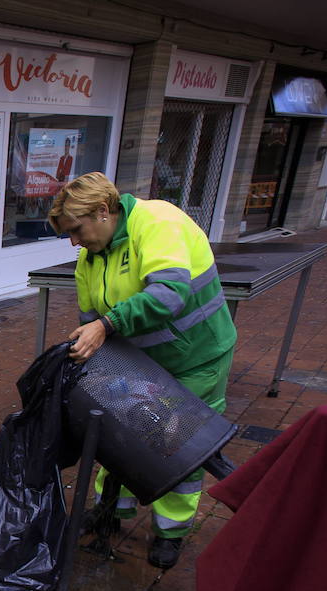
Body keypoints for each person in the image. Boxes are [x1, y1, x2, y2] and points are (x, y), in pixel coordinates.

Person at [48, 172, 236, 569]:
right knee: (121, 431)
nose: (74, 242)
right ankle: (112, 510)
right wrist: (89, 348)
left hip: (193, 357)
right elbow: (90, 318)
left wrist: (106, 325)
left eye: (76, 230)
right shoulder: (90, 258)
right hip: (137, 361)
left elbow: (168, 295)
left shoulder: (157, 222)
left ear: (103, 211)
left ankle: (170, 531)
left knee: (177, 442)